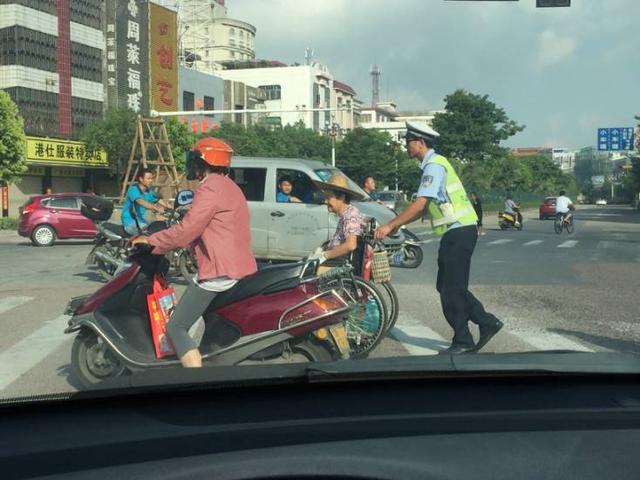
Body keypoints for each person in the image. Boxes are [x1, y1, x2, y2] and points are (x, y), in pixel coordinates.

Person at [375, 122, 503, 354]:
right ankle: (486, 322)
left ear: (420, 143)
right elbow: (423, 209)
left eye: (408, 142)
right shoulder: (433, 165)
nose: (406, 145)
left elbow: (420, 204)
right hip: (457, 232)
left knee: (451, 289)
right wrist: (397, 224)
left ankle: (464, 340)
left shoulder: (433, 166)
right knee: (447, 286)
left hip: (459, 231)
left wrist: (390, 225)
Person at [130, 138, 257, 368]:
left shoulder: (210, 187)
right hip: (238, 267)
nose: (193, 168)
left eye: (195, 162)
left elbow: (187, 231)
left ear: (203, 163)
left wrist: (150, 241)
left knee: (176, 327)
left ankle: (195, 382)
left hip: (219, 272)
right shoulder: (229, 186)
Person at [309, 175, 365, 271]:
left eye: (329, 197)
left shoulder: (350, 215)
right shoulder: (346, 214)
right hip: (335, 259)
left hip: (339, 263)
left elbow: (351, 245)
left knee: (305, 274)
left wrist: (325, 255)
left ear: (342, 198)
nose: (326, 201)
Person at [121, 168, 168, 236]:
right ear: (141, 179)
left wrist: (173, 208)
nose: (151, 181)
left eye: (151, 178)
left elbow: (159, 200)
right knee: (152, 234)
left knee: (160, 229)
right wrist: (157, 209)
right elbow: (141, 202)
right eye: (148, 179)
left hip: (141, 221)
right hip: (130, 222)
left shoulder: (148, 191)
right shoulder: (133, 190)